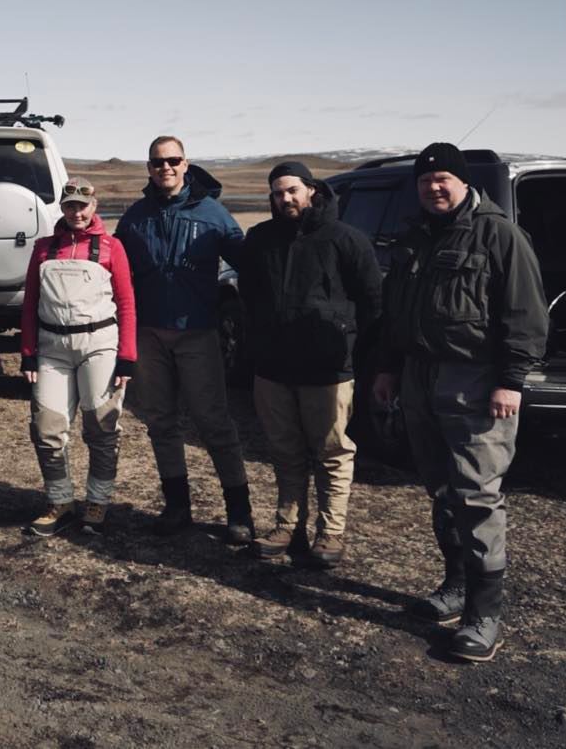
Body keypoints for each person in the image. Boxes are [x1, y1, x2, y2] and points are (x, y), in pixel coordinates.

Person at [372, 142, 547, 662]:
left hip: (475, 379)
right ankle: (454, 585)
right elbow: (394, 312)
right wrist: (386, 368)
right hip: (419, 376)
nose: (433, 187)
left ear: (464, 182)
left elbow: (526, 314)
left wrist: (510, 379)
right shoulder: (415, 237)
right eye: (426, 181)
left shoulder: (499, 235)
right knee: (442, 486)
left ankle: (484, 613)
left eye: (443, 178)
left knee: (476, 494)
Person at [240, 161, 382, 566]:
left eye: (292, 191)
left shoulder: (346, 240)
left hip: (327, 368)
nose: (285, 198)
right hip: (273, 367)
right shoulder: (261, 239)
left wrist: (349, 346)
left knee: (332, 452)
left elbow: (373, 302)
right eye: (277, 193)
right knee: (284, 451)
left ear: (311, 191)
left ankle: (331, 532)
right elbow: (248, 294)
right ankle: (288, 525)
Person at [115, 136, 253, 543]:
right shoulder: (135, 218)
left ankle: (239, 511)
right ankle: (177, 505)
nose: (166, 168)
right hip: (150, 333)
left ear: (186, 163)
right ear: (149, 167)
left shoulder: (213, 214)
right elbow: (116, 271)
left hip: (197, 330)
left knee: (213, 422)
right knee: (160, 421)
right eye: (158, 162)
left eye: (173, 161)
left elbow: (250, 261)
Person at [20, 177, 136, 536]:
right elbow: (29, 304)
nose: (77, 212)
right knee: (47, 428)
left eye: (83, 206)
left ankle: (97, 502)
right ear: (62, 208)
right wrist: (28, 354)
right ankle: (60, 500)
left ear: (94, 207)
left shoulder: (111, 247)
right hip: (52, 350)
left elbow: (127, 302)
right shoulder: (43, 249)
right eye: (70, 205)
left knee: (101, 427)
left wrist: (127, 356)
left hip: (99, 345)